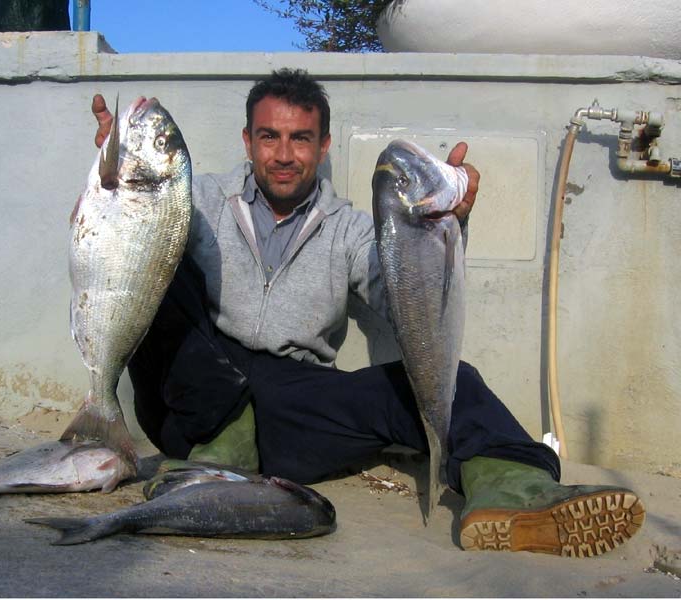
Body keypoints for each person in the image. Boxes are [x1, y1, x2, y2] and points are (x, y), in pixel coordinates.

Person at [91, 69, 644, 557]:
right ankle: (222, 447)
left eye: (301, 138)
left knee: (456, 383)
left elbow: (401, 298)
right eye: (269, 136)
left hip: (291, 404)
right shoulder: (199, 198)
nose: (283, 154)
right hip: (195, 399)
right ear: (248, 140)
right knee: (154, 255)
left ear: (324, 145)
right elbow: (122, 246)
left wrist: (437, 230)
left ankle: (513, 492)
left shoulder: (353, 229)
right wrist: (125, 184)